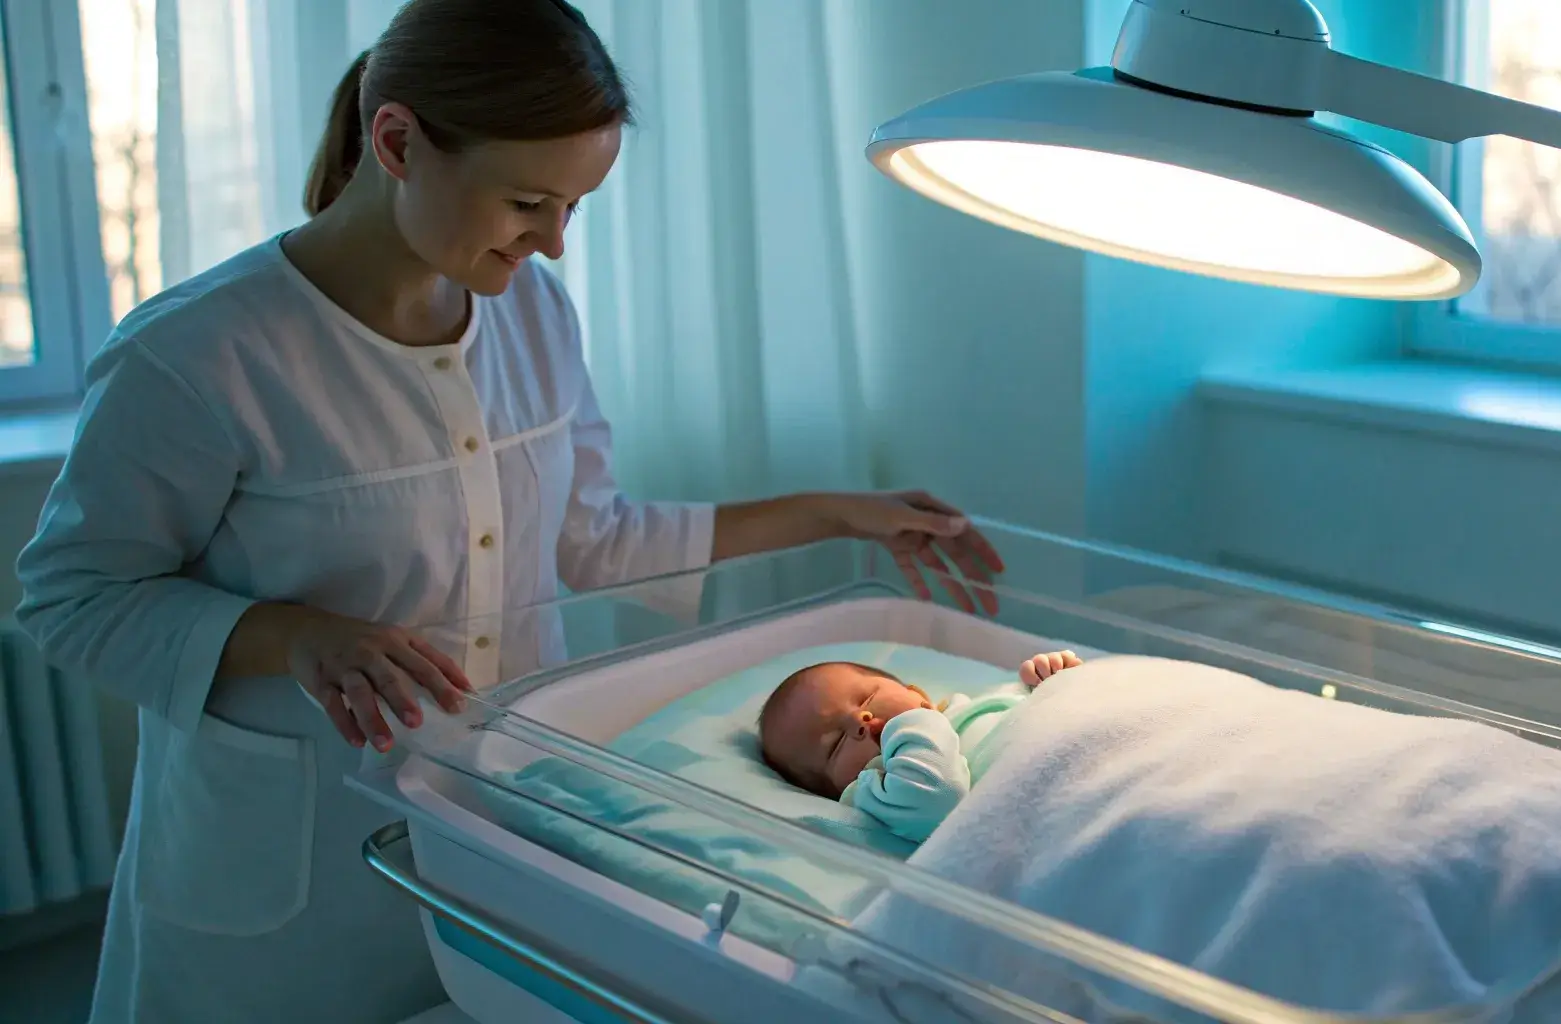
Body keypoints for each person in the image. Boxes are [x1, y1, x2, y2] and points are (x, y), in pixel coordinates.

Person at [11, 1, 1003, 1020]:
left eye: (573, 208)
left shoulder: (530, 313)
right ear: (395, 141)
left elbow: (594, 536)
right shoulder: (197, 355)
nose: (555, 244)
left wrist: (842, 512)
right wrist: (297, 636)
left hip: (497, 831)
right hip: (285, 873)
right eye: (529, 202)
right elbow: (70, 596)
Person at [758, 651, 1083, 841]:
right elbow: (938, 797)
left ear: (917, 692)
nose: (860, 719)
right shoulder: (883, 791)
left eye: (865, 698)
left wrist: (1052, 675)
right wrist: (911, 720)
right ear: (833, 788)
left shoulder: (976, 703)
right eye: (835, 743)